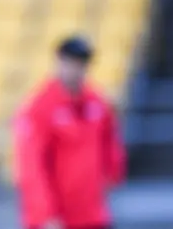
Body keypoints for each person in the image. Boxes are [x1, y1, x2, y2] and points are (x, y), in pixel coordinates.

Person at [13, 36, 126, 229]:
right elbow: (32, 166)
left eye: (82, 64)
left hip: (92, 214)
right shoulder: (41, 107)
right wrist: (44, 215)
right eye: (72, 63)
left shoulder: (96, 102)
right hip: (57, 219)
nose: (77, 70)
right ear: (60, 62)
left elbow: (110, 143)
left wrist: (112, 174)